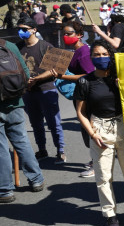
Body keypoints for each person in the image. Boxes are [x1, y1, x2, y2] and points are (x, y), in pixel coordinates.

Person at [75, 41, 124, 226]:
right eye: (96, 55)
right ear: (91, 57)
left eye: (104, 54)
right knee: (103, 176)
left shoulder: (121, 76)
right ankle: (110, 215)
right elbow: (80, 112)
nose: (101, 58)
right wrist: (92, 133)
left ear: (112, 54)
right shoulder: (85, 81)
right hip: (99, 128)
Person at [15, 15, 66, 163]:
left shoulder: (47, 46)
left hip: (46, 90)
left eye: (24, 29)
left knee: (53, 123)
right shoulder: (17, 47)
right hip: (28, 92)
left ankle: (60, 150)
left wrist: (37, 78)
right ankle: (42, 150)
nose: (21, 31)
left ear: (34, 30)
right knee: (36, 123)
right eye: (19, 29)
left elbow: (57, 69)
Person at [0, 36, 45, 203]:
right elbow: (25, 73)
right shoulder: (8, 45)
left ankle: (5, 189)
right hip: (15, 102)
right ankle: (36, 179)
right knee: (22, 141)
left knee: (1, 148)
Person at [56, 20, 96, 177]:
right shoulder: (73, 51)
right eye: (64, 34)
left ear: (79, 35)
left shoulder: (84, 52)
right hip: (79, 95)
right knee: (86, 129)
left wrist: (63, 76)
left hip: (87, 96)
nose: (66, 36)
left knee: (90, 129)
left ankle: (96, 164)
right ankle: (94, 159)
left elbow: (89, 75)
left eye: (69, 33)